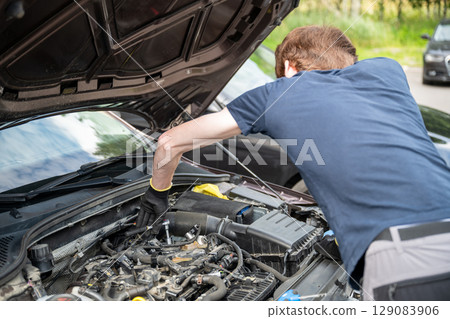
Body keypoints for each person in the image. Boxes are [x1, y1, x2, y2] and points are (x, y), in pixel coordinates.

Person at [136, 25, 450, 301]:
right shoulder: (387, 69)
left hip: (407, 258)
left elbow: (169, 142)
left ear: (288, 67)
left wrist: (157, 194)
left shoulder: (280, 93)